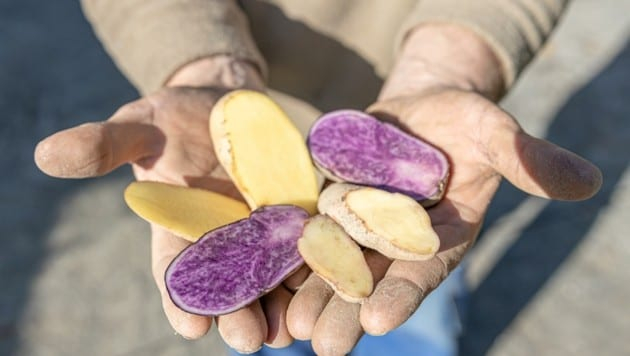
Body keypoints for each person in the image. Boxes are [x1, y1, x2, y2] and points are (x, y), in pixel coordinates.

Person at [34, 1, 602, 355]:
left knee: (412, 273)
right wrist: (199, 60)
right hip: (241, 106)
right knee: (277, 322)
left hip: (417, 106)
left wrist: (458, 55)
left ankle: (422, 335)